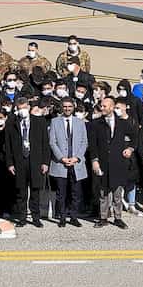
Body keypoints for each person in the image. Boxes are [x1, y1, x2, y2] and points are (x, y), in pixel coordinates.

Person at [89, 96, 136, 228]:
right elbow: (93, 144)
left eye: (104, 106)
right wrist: (94, 160)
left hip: (118, 162)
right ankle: (103, 217)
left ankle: (118, 217)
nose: (102, 108)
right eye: (101, 106)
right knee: (103, 192)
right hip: (103, 162)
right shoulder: (96, 124)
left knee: (117, 193)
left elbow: (135, 137)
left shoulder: (123, 123)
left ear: (111, 107)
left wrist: (130, 148)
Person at [48, 96, 87, 227]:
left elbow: (84, 142)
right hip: (61, 163)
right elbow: (52, 142)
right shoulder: (55, 122)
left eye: (69, 106)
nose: (67, 109)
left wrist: (77, 157)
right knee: (61, 193)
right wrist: (62, 158)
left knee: (76, 193)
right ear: (61, 107)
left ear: (73, 107)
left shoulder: (80, 122)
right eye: (65, 106)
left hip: (76, 163)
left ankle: (74, 217)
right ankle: (62, 217)